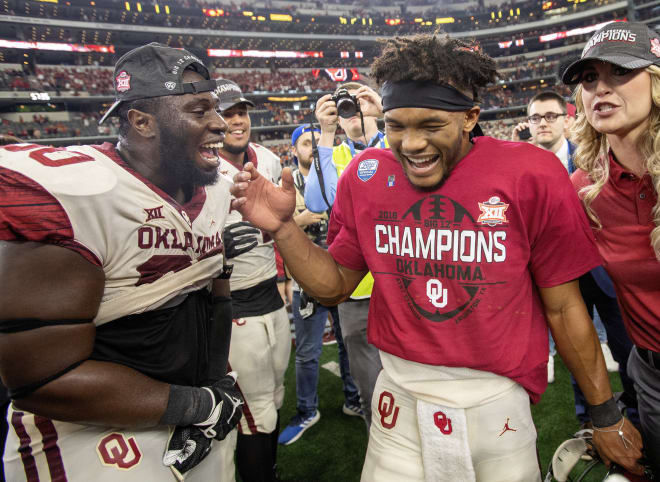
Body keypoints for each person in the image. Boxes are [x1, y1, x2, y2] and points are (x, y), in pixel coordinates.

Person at [230, 33, 645, 480]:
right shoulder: (364, 176)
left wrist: (604, 413)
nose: (410, 144)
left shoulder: (533, 173)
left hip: (496, 396)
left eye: (430, 126)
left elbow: (564, 307)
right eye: (395, 126)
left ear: (470, 117)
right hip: (397, 395)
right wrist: (284, 229)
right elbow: (334, 285)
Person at [0, 43, 244, 481]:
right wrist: (192, 404)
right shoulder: (80, 193)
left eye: (216, 108)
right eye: (199, 110)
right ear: (141, 121)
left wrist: (213, 387)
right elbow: (41, 378)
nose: (220, 123)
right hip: (92, 438)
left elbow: (214, 297)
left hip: (195, 413)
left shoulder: (217, 185)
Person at [562, 20, 660, 477]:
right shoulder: (582, 189)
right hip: (652, 373)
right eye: (589, 78)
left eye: (620, 72)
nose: (601, 87)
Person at [512, 91, 638, 431]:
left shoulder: (591, 157)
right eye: (536, 117)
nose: (543, 123)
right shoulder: (518, 168)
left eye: (550, 116)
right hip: (556, 280)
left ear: (567, 120)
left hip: (604, 270)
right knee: (576, 354)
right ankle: (591, 423)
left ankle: (640, 418)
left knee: (627, 350)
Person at [213, 78, 292, 482]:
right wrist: (215, 247)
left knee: (275, 397)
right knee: (255, 409)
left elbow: (283, 224)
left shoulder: (267, 158)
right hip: (232, 303)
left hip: (270, 298)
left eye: (240, 111)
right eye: (227, 114)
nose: (237, 120)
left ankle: (267, 471)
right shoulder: (200, 168)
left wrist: (288, 275)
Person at [305, 83, 387, 428]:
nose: (353, 111)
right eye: (345, 106)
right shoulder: (335, 154)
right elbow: (316, 202)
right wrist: (325, 133)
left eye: (358, 102)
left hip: (400, 282)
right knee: (370, 386)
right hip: (356, 290)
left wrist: (384, 113)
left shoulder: (395, 143)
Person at [276, 124, 363, 446]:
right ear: (294, 149)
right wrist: (286, 275)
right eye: (304, 143)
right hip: (306, 281)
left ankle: (353, 399)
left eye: (316, 142)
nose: (312, 147)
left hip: (344, 274)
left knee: (348, 344)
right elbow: (280, 234)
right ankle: (306, 410)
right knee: (308, 351)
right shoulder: (287, 182)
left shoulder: (338, 172)